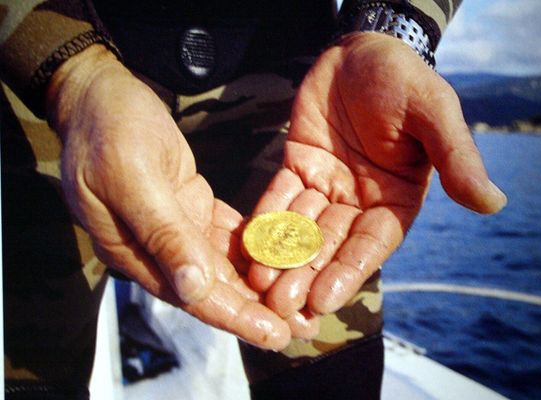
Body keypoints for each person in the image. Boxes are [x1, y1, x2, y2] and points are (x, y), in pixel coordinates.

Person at [1, 0, 507, 398]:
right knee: (30, 366)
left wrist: (394, 25)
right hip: (45, 76)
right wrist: (71, 70)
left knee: (329, 365)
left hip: (308, 94)